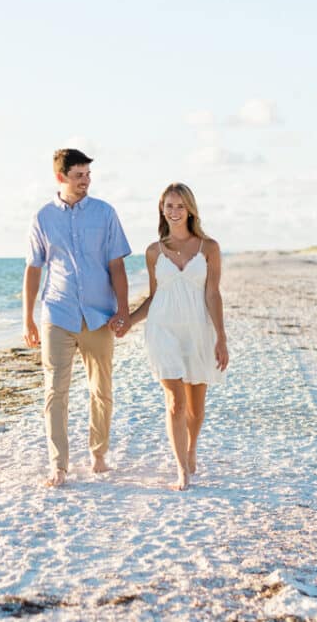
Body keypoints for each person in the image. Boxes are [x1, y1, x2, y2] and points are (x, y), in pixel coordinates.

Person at [23, 148, 132, 487]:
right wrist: (27, 318)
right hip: (57, 312)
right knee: (55, 391)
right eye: (79, 176)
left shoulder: (105, 213)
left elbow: (116, 265)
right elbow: (33, 268)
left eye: (87, 175)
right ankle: (59, 464)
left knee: (101, 388)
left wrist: (124, 310)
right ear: (61, 178)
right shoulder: (43, 218)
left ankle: (98, 454)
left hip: (99, 315)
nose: (86, 181)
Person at [127, 183, 229, 490]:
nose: (174, 211)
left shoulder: (208, 247)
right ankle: (181, 469)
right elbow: (154, 297)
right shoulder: (153, 252)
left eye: (179, 206)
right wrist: (128, 321)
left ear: (190, 209)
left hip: (199, 330)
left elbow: (213, 293)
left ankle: (191, 448)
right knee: (175, 402)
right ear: (162, 209)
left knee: (196, 408)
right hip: (163, 330)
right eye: (169, 206)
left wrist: (221, 338)